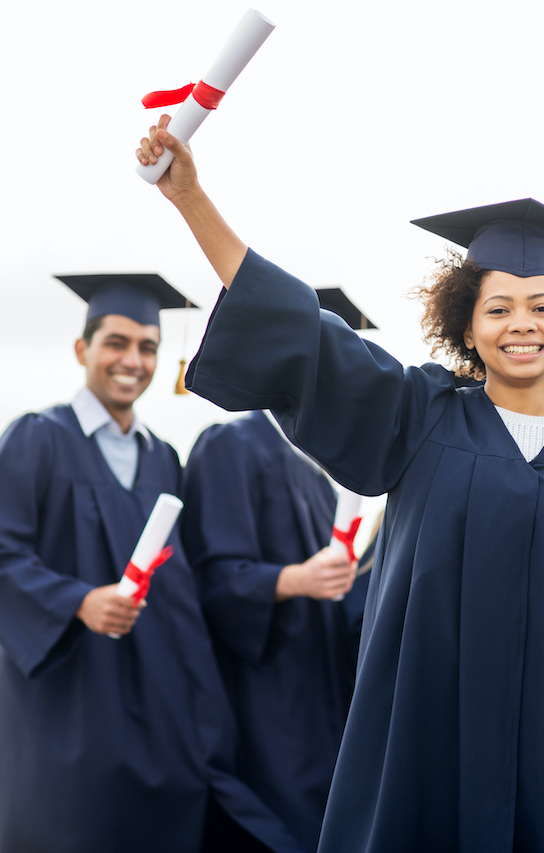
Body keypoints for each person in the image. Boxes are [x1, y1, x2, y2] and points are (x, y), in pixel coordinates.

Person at [136, 116, 544, 853]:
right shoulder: (418, 416)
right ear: (467, 320)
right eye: (499, 307)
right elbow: (305, 332)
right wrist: (192, 200)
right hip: (431, 749)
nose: (523, 324)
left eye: (542, 306)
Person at [0, 274, 302, 853]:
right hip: (67, 702)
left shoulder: (163, 458)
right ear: (82, 349)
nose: (132, 360)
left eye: (147, 347)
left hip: (152, 705)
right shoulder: (36, 440)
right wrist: (79, 601)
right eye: (116, 342)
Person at [179, 287, 378, 853]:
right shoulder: (230, 445)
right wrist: (295, 580)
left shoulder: (318, 473)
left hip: (320, 700)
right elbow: (208, 580)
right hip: (264, 704)